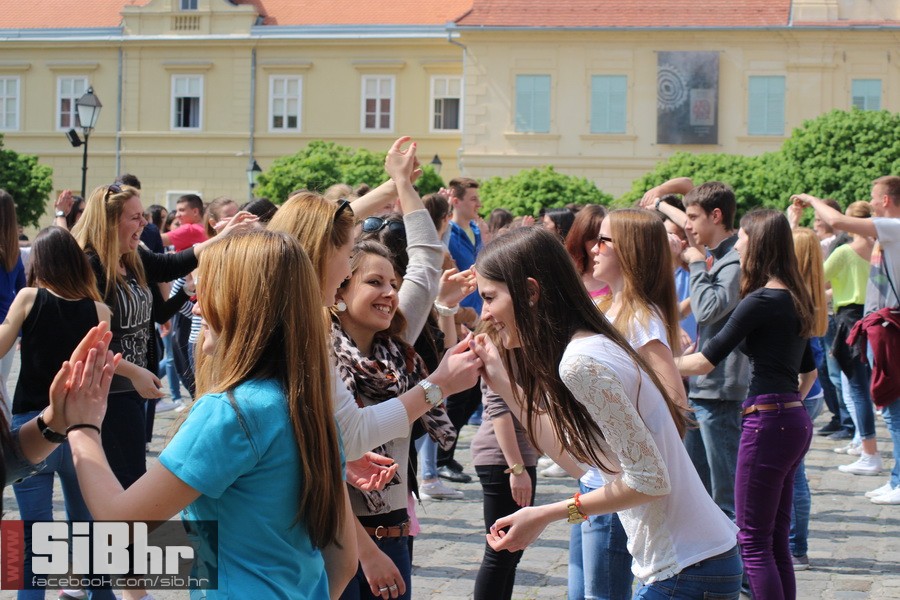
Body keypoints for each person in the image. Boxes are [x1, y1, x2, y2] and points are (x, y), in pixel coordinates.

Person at [63, 231, 357, 598]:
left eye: (208, 292)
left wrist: (81, 425)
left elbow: (120, 521)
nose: (197, 308)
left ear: (241, 303)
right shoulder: (307, 406)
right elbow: (343, 562)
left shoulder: (232, 411)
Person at [468, 226, 741, 598]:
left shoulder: (581, 362)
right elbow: (586, 467)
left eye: (489, 297)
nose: (485, 313)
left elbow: (648, 481)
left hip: (688, 567)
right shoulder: (586, 348)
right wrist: (504, 385)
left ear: (531, 292)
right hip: (691, 564)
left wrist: (545, 514)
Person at [675, 209, 818, 599]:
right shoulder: (796, 296)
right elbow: (809, 373)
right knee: (774, 542)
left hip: (768, 420)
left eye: (742, 239)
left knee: (753, 541)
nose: (737, 245)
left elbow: (705, 360)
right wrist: (786, 406)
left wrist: (645, 362)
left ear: (757, 244)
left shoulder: (762, 300)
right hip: (793, 418)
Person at [0, 227, 119, 600]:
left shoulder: (28, 298)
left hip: (33, 427)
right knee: (88, 529)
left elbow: (2, 344)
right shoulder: (100, 311)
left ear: (40, 261)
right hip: (83, 429)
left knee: (34, 536)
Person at [643, 179, 749, 522]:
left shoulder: (731, 260)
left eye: (693, 217)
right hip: (706, 390)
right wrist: (659, 203)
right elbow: (687, 213)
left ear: (715, 216)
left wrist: (693, 262)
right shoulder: (718, 253)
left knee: (726, 497)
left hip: (721, 391)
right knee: (700, 491)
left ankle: (739, 573)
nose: (687, 226)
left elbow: (708, 310)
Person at [794, 175, 900, 505]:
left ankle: (892, 474)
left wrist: (811, 199)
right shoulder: (886, 235)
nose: (870, 203)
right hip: (875, 321)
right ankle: (895, 477)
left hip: (887, 323)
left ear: (885, 201)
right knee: (884, 402)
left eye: (873, 196)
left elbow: (837, 221)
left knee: (889, 405)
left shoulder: (894, 226)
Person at [818, 201, 881, 473]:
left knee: (854, 389)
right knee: (865, 389)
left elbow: (817, 279)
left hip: (850, 320)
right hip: (876, 318)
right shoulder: (879, 250)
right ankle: (863, 443)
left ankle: (868, 449)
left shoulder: (845, 251)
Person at [470, 380, 539, 600]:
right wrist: (517, 469)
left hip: (519, 459)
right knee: (499, 553)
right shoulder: (502, 350)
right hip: (503, 460)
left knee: (511, 553)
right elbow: (499, 409)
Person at [788, 227, 829, 571]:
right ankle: (795, 546)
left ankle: (796, 548)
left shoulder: (795, 294)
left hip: (801, 390)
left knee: (795, 475)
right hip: (809, 392)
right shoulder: (812, 288)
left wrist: (796, 401)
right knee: (795, 472)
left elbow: (809, 369)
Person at [441, 177, 486, 484]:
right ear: (455, 201)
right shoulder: (449, 233)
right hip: (458, 319)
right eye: (471, 198)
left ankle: (447, 454)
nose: (477, 204)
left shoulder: (477, 231)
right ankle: (441, 457)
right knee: (460, 395)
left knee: (471, 396)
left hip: (478, 318)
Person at [0, 189, 25, 414]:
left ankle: (11, 442)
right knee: (2, 389)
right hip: (8, 329)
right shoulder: (14, 254)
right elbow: (23, 290)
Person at [564, 204, 610, 302]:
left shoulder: (621, 276)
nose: (598, 246)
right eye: (593, 239)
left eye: (604, 239)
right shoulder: (568, 276)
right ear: (580, 240)